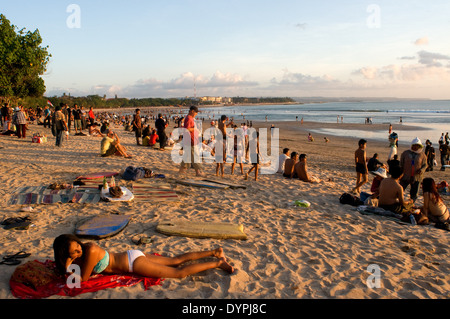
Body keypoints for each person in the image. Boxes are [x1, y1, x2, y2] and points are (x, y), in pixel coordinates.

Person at [53, 234, 234, 283]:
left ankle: (217, 261)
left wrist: (69, 264)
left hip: (133, 263)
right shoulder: (84, 254)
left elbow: (83, 279)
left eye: (77, 247)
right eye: (73, 252)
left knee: (179, 272)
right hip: (132, 255)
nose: (78, 252)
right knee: (176, 259)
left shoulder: (90, 250)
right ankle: (214, 252)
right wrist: (68, 262)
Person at [178, 106, 205, 177]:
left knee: (187, 156)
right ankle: (198, 172)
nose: (196, 114)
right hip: (191, 140)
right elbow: (186, 129)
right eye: (196, 112)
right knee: (195, 156)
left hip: (189, 140)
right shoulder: (189, 118)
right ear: (192, 111)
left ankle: (181, 171)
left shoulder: (189, 118)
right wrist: (194, 129)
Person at [399, 137, 427, 202]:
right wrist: (400, 173)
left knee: (414, 193)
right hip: (405, 175)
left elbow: (425, 165)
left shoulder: (422, 155)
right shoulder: (405, 153)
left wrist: (422, 170)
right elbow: (401, 163)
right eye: (414, 145)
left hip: (417, 177)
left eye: (417, 146)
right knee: (400, 188)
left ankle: (412, 202)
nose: (415, 147)